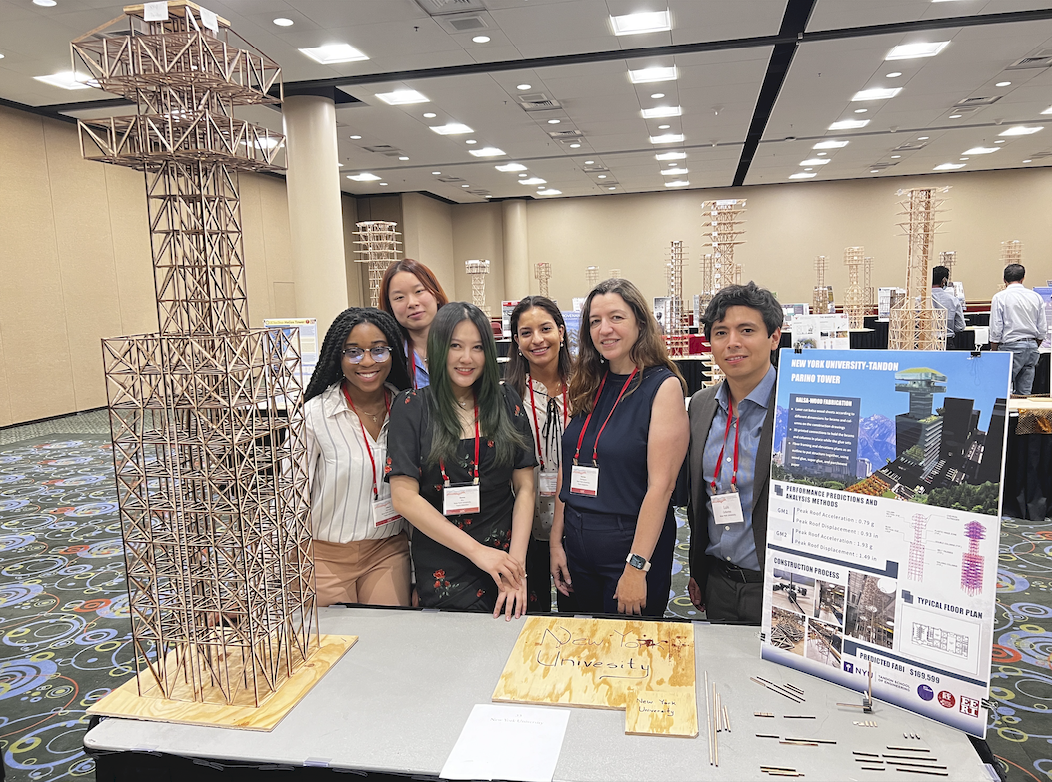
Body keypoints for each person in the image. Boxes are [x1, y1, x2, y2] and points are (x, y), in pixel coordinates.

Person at [387, 302, 536, 619]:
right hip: (446, 560)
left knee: (517, 655)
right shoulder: (411, 407)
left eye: (478, 347)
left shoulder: (506, 399)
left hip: (511, 554)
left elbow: (525, 487)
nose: (467, 358)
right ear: (439, 349)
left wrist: (516, 565)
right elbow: (403, 498)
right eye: (456, 346)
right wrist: (478, 553)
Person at [550, 279, 688, 617]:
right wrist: (557, 541)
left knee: (627, 656)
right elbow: (569, 468)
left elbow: (662, 487)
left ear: (640, 323)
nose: (604, 329)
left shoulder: (662, 387)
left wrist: (636, 567)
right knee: (582, 645)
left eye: (616, 318)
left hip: (629, 544)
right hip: (578, 541)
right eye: (595, 321)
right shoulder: (588, 383)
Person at [303, 307, 414, 607]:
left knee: (386, 647)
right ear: (337, 357)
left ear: (393, 352)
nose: (367, 361)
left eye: (378, 350)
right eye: (353, 352)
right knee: (333, 650)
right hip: (324, 556)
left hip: (388, 551)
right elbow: (288, 499)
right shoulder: (315, 416)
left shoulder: (409, 409)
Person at [686, 282, 783, 625]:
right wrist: (698, 570)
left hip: (778, 589)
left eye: (747, 330)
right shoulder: (700, 406)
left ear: (774, 337)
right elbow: (699, 501)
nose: (733, 343)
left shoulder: (795, 406)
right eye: (720, 332)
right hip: (719, 583)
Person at [505, 296, 575, 614]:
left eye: (546, 329)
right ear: (516, 341)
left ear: (561, 332)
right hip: (524, 518)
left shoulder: (587, 388)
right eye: (526, 332)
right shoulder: (506, 396)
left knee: (577, 612)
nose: (537, 340)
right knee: (531, 614)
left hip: (576, 515)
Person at [379, 259, 449, 389]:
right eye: (399, 297)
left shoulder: (460, 346)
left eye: (419, 291)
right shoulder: (388, 357)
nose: (412, 303)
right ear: (390, 307)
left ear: (435, 294)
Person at [990, 263, 1048, 396]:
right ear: (1023, 278)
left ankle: (1005, 417)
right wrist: (1034, 344)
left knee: (1001, 389)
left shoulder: (1000, 297)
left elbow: (996, 328)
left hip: (1010, 346)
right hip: (1031, 346)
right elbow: (1042, 328)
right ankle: (1023, 417)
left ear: (1004, 280)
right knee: (1024, 393)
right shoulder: (1036, 297)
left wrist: (995, 351)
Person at [931, 265, 966, 350]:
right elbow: (960, 326)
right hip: (947, 342)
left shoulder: (919, 300)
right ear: (944, 280)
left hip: (927, 343)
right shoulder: (953, 300)